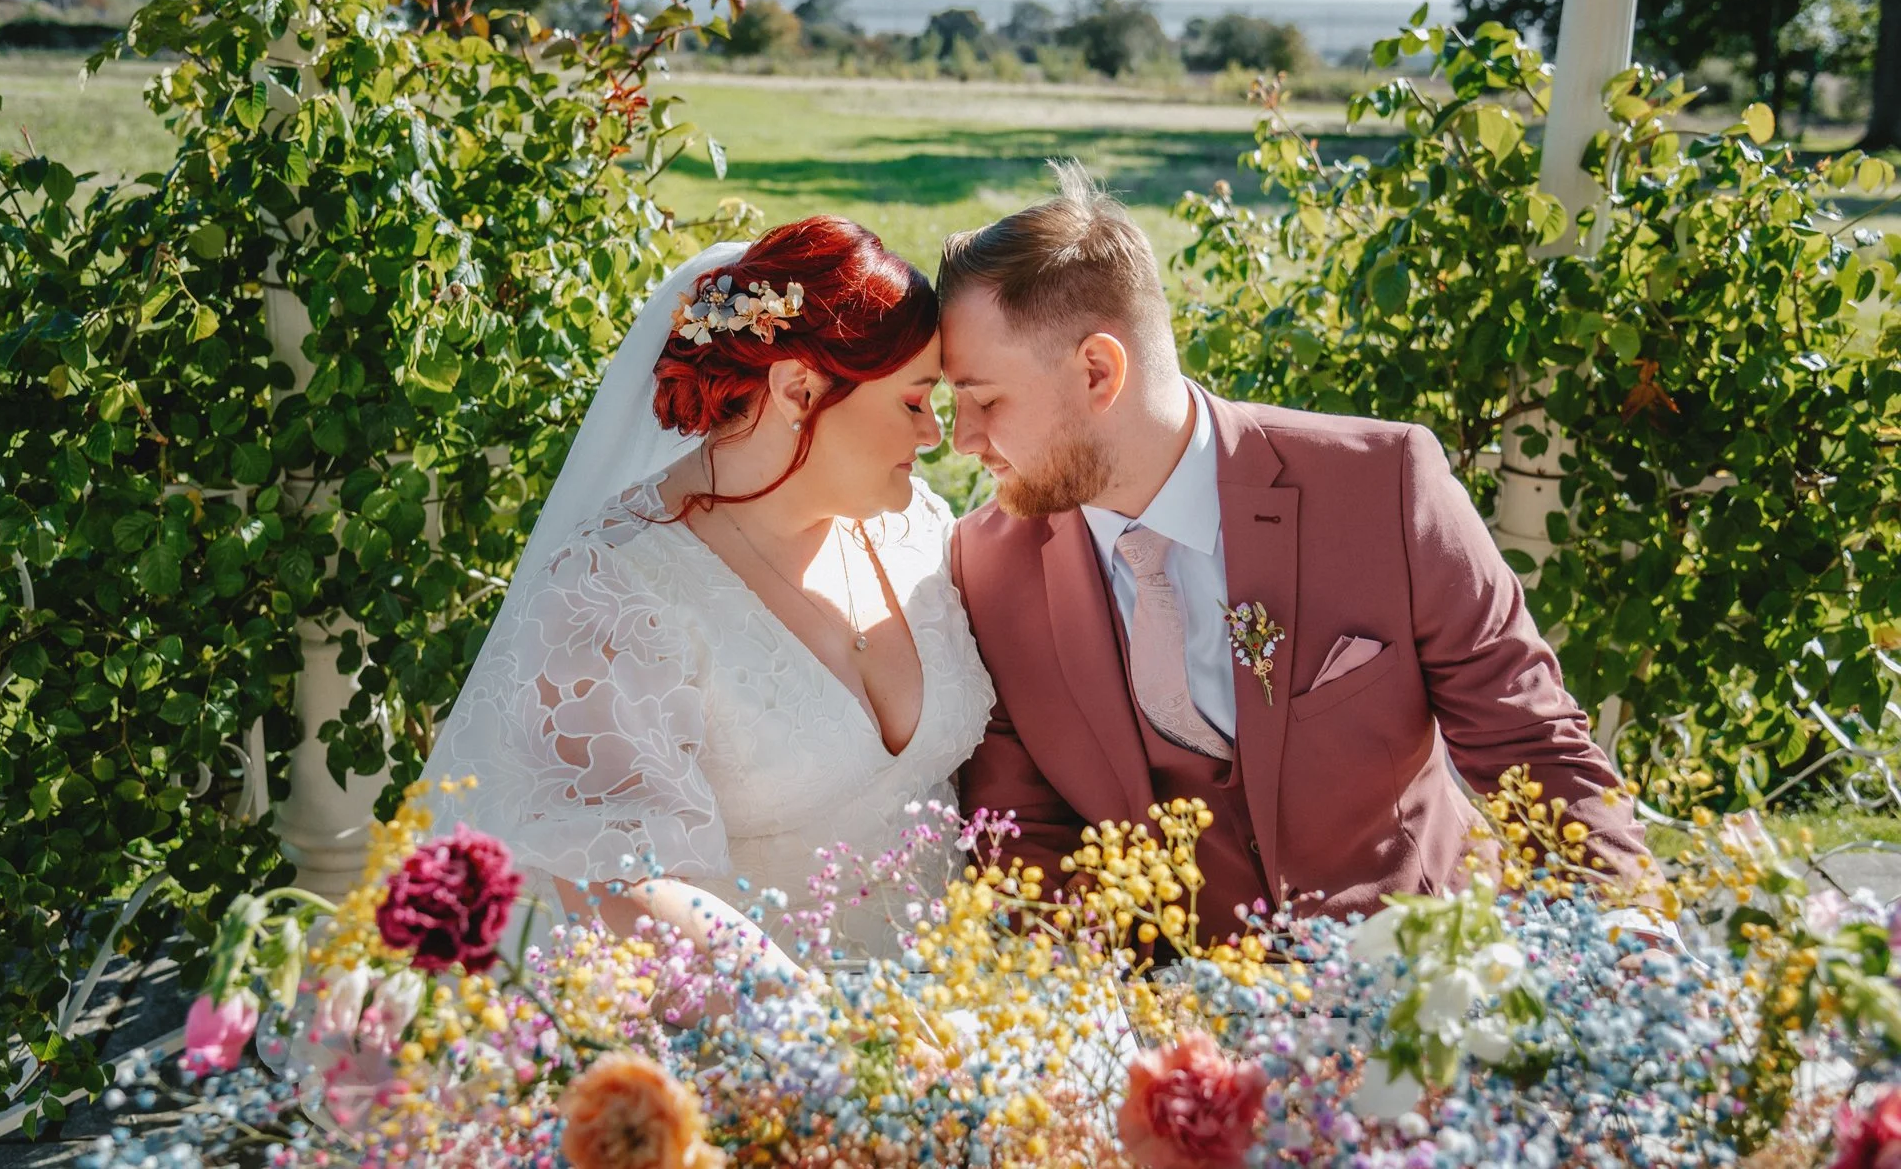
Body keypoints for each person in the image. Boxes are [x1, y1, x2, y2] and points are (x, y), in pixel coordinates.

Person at [939, 161, 1654, 943]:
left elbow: (1530, 741)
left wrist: (1635, 945)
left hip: (1426, 988)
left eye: (984, 399)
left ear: (1099, 371)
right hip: (1177, 1024)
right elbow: (1024, 833)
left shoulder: (1383, 486)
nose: (964, 438)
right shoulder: (988, 566)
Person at [421, 217, 994, 981]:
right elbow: (621, 885)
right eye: (913, 402)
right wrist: (825, 1039)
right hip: (756, 1040)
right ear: (799, 389)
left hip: (974, 1014)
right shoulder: (615, 590)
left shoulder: (916, 526)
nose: (933, 435)